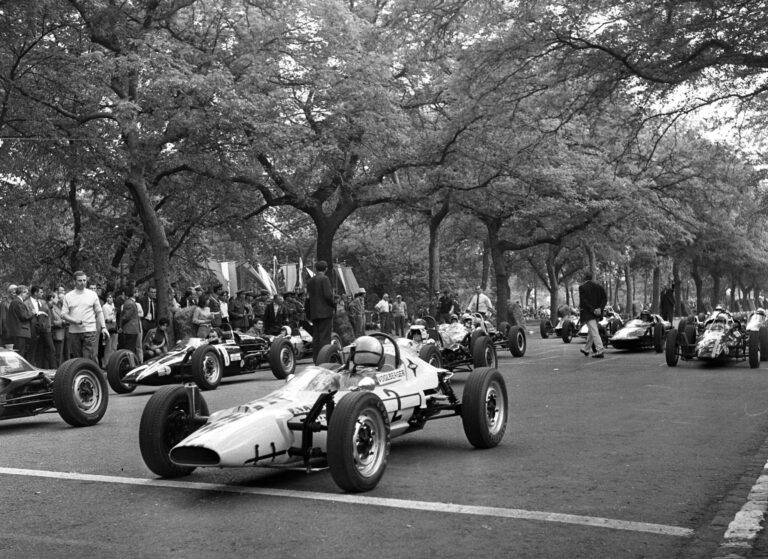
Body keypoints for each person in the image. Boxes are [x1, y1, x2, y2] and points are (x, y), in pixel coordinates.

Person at [59, 271, 110, 364]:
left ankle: (91, 372)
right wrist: (74, 320)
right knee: (77, 359)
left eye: (84, 280)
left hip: (89, 331)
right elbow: (63, 314)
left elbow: (99, 312)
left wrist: (103, 327)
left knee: (89, 357)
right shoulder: (68, 296)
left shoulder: (92, 294)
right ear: (74, 281)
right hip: (74, 332)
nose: (82, 283)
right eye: (80, 281)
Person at [305, 260, 335, 364]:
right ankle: (324, 359)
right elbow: (328, 296)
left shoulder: (310, 281)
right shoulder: (325, 279)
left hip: (314, 313)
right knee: (324, 337)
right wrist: (334, 304)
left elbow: (308, 298)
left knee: (316, 337)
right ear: (326, 269)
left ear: (315, 269)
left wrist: (308, 312)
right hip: (325, 312)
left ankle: (316, 359)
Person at [578, 271, 608, 358]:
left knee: (594, 331)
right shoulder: (599, 287)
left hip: (588, 313)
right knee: (592, 331)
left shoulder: (582, 287)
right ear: (592, 277)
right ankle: (586, 349)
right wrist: (600, 309)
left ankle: (600, 350)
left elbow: (584, 301)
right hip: (598, 313)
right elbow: (604, 299)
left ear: (585, 278)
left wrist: (592, 310)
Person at [7, 285, 35, 359]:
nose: (27, 295)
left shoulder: (15, 302)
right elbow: (24, 316)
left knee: (19, 352)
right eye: (26, 293)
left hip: (18, 332)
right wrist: (32, 313)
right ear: (22, 293)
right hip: (20, 332)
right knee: (20, 354)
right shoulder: (18, 302)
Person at [118, 284, 141, 359]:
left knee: (130, 349)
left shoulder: (129, 303)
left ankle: (130, 362)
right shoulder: (130, 303)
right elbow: (127, 316)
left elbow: (126, 316)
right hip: (131, 329)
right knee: (130, 349)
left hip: (130, 329)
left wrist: (121, 321)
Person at [48, 292, 66, 366]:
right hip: (56, 333)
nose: (58, 299)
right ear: (51, 298)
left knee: (60, 355)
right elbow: (51, 322)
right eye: (56, 298)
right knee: (56, 355)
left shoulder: (58, 307)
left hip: (61, 333)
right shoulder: (50, 308)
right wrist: (62, 322)